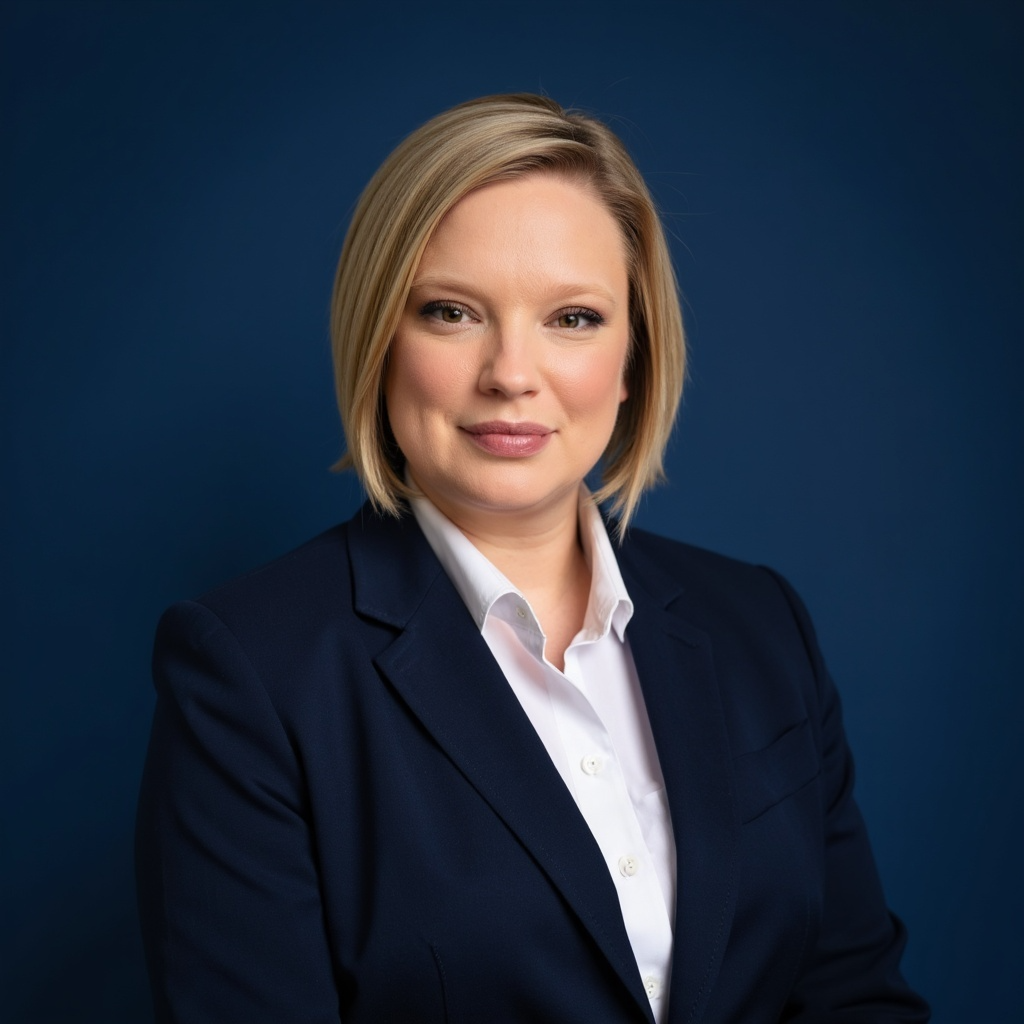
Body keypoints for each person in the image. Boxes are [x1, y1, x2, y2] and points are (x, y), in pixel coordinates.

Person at [135, 94, 929, 1023]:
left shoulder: (760, 624)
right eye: (452, 311)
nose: (512, 372)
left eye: (574, 318)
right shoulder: (249, 671)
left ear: (634, 355)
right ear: (378, 339)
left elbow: (854, 998)